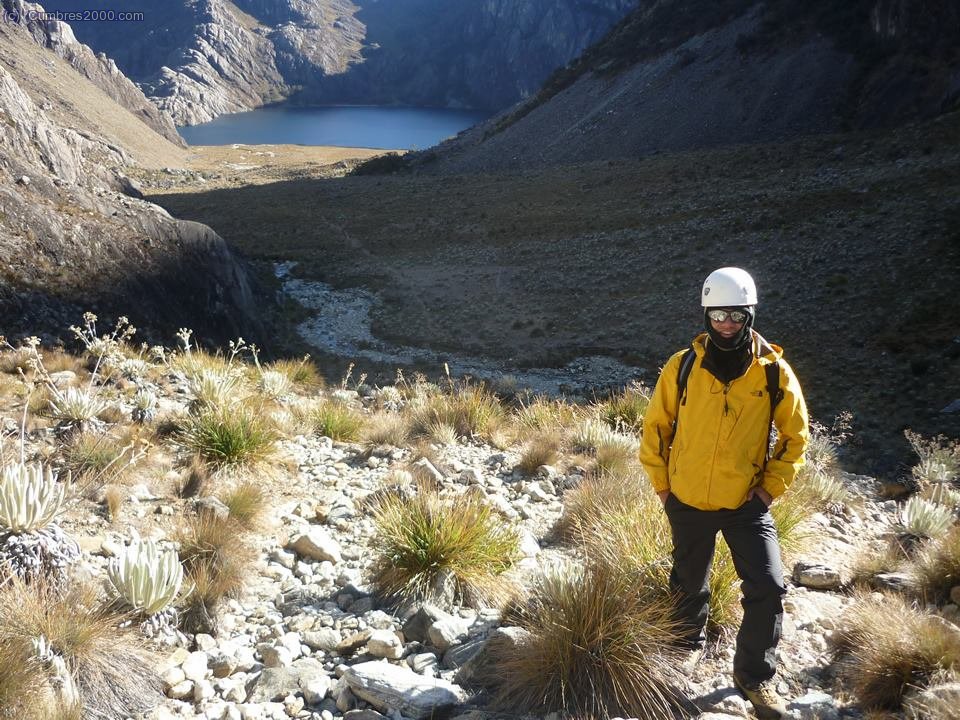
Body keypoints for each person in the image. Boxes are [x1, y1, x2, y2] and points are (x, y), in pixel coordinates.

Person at [639, 267, 809, 720]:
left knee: (769, 587)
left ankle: (753, 677)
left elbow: (796, 439)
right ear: (706, 314)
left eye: (735, 314)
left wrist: (768, 491)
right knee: (688, 580)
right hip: (687, 498)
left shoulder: (773, 372)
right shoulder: (683, 365)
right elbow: (655, 427)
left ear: (749, 314)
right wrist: (664, 488)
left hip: (744, 504)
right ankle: (682, 648)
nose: (727, 324)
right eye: (718, 315)